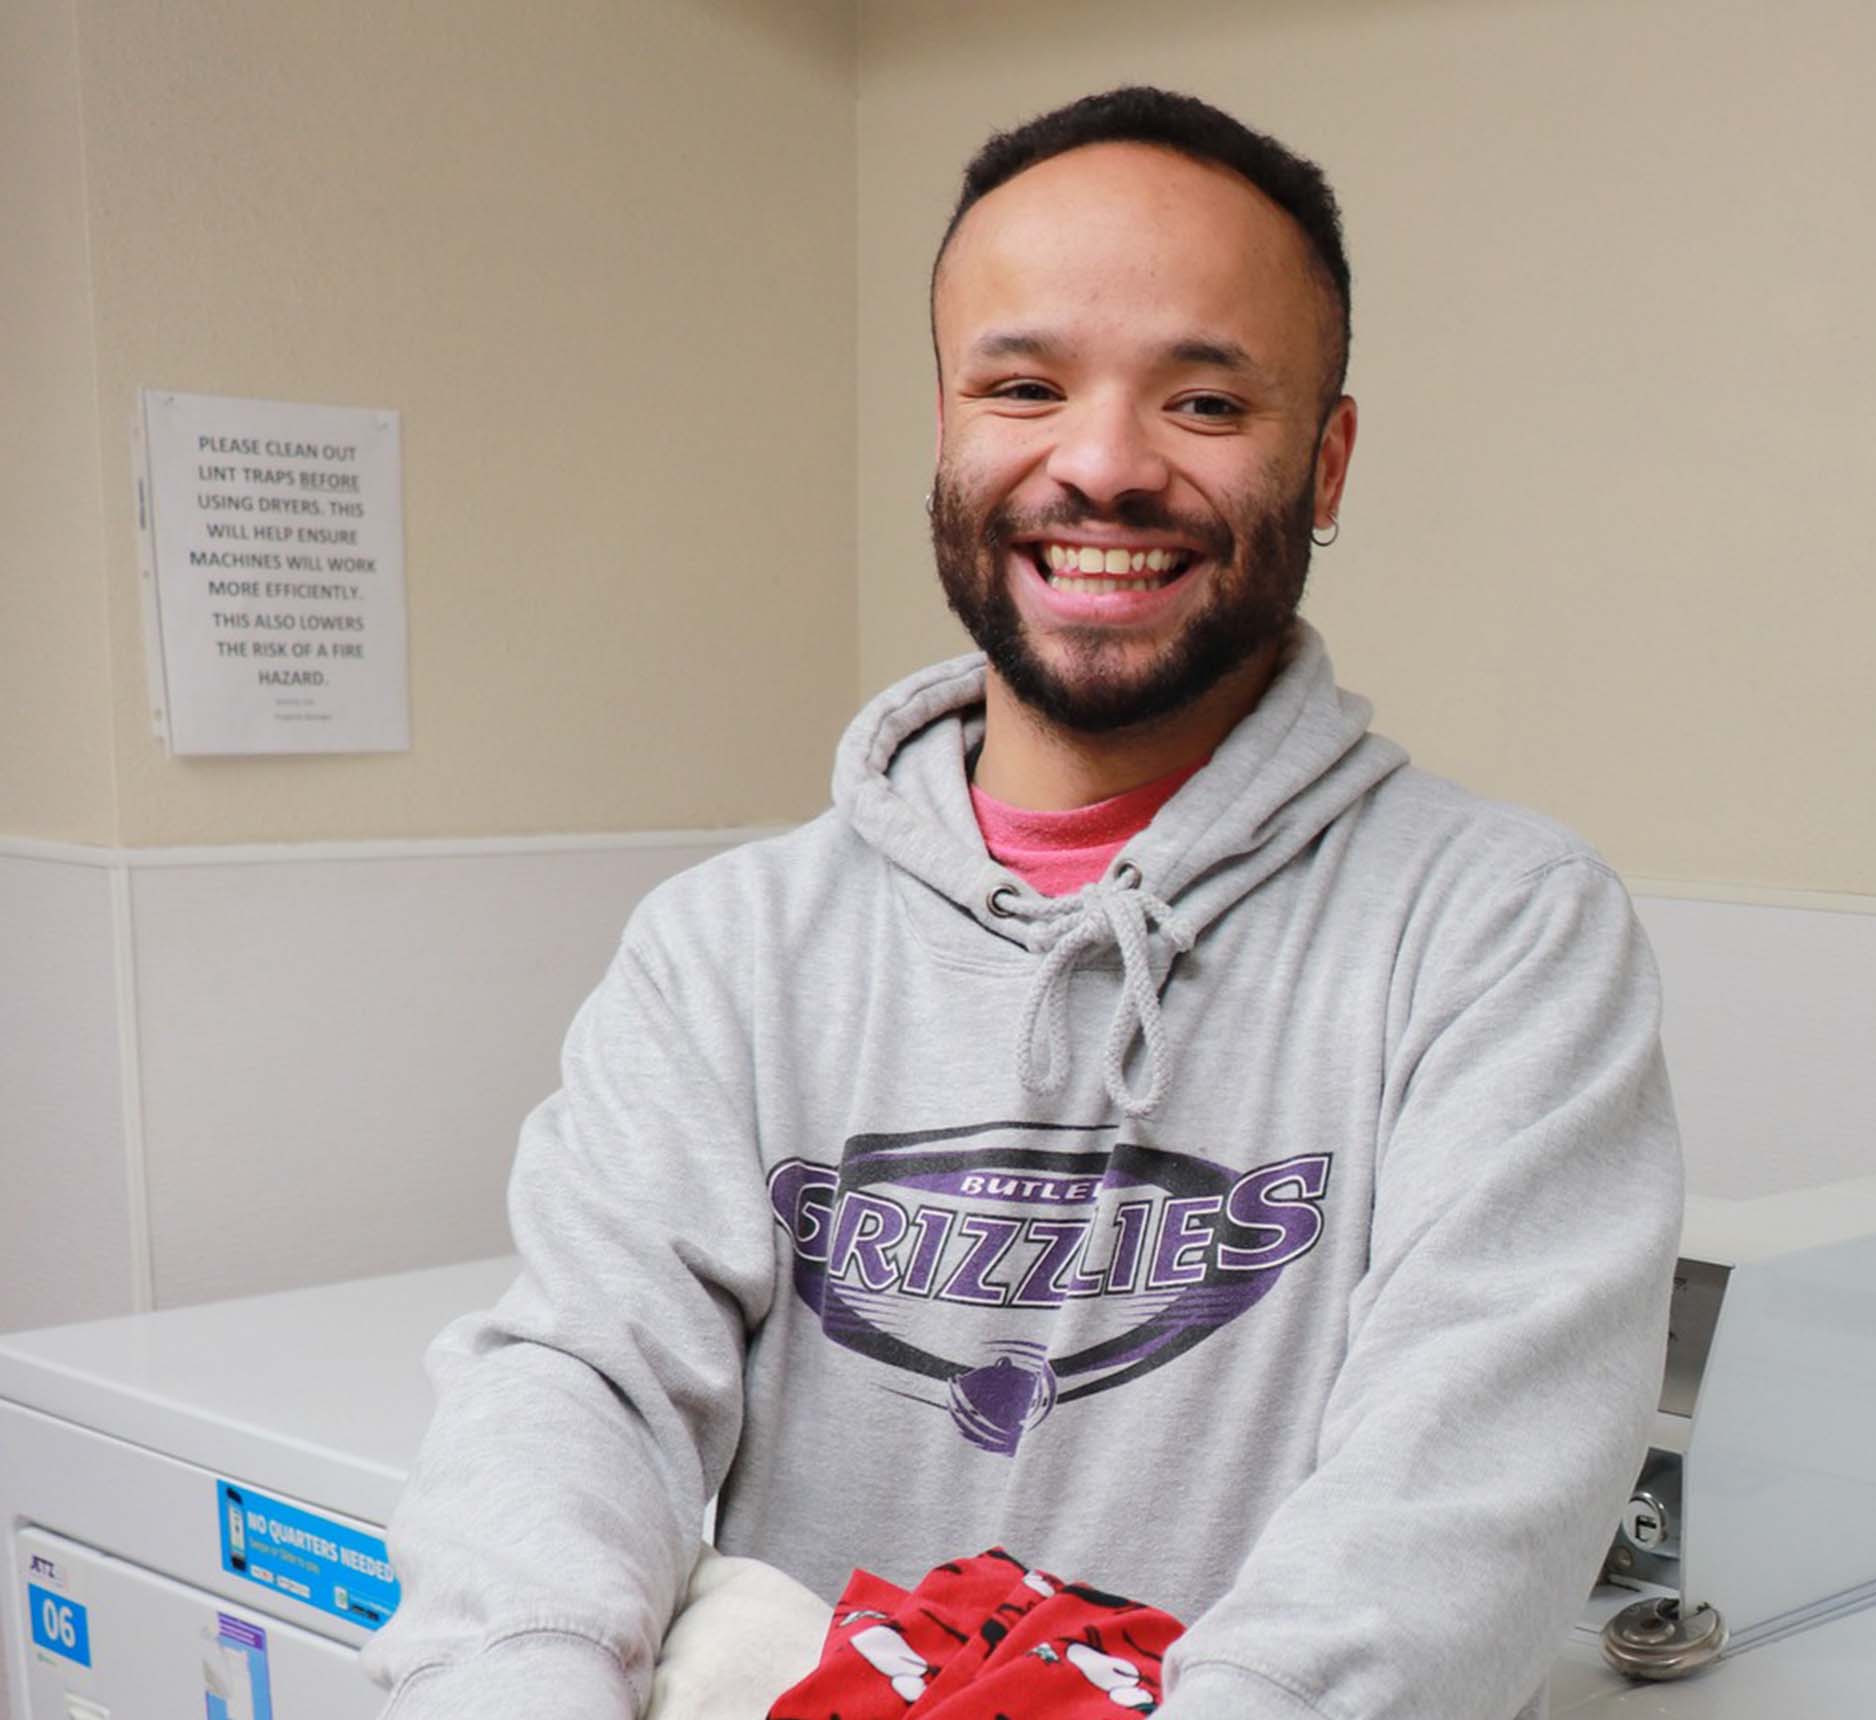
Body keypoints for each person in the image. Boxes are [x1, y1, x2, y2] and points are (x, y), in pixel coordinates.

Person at [364, 86, 1683, 1720]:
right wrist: (524, 1676)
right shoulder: (731, 949)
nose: (1103, 465)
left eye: (1205, 399)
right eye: (1023, 385)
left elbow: (1460, 1516)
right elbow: (581, 1387)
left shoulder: (1500, 939)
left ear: (1325, 458)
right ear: (946, 427)